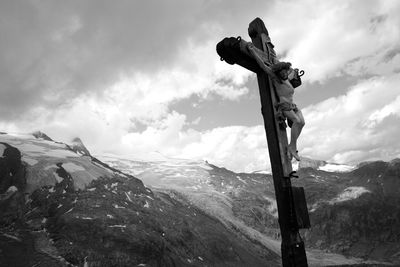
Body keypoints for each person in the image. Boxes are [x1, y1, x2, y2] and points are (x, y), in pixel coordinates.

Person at [247, 43, 305, 161]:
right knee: (296, 120)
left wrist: (272, 53)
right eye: (282, 73)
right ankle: (292, 147)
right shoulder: (277, 80)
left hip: (293, 105)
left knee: (302, 122)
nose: (284, 74)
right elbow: (263, 66)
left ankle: (292, 146)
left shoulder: (287, 79)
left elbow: (284, 67)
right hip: (284, 106)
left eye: (285, 72)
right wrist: (253, 51)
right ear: (278, 74)